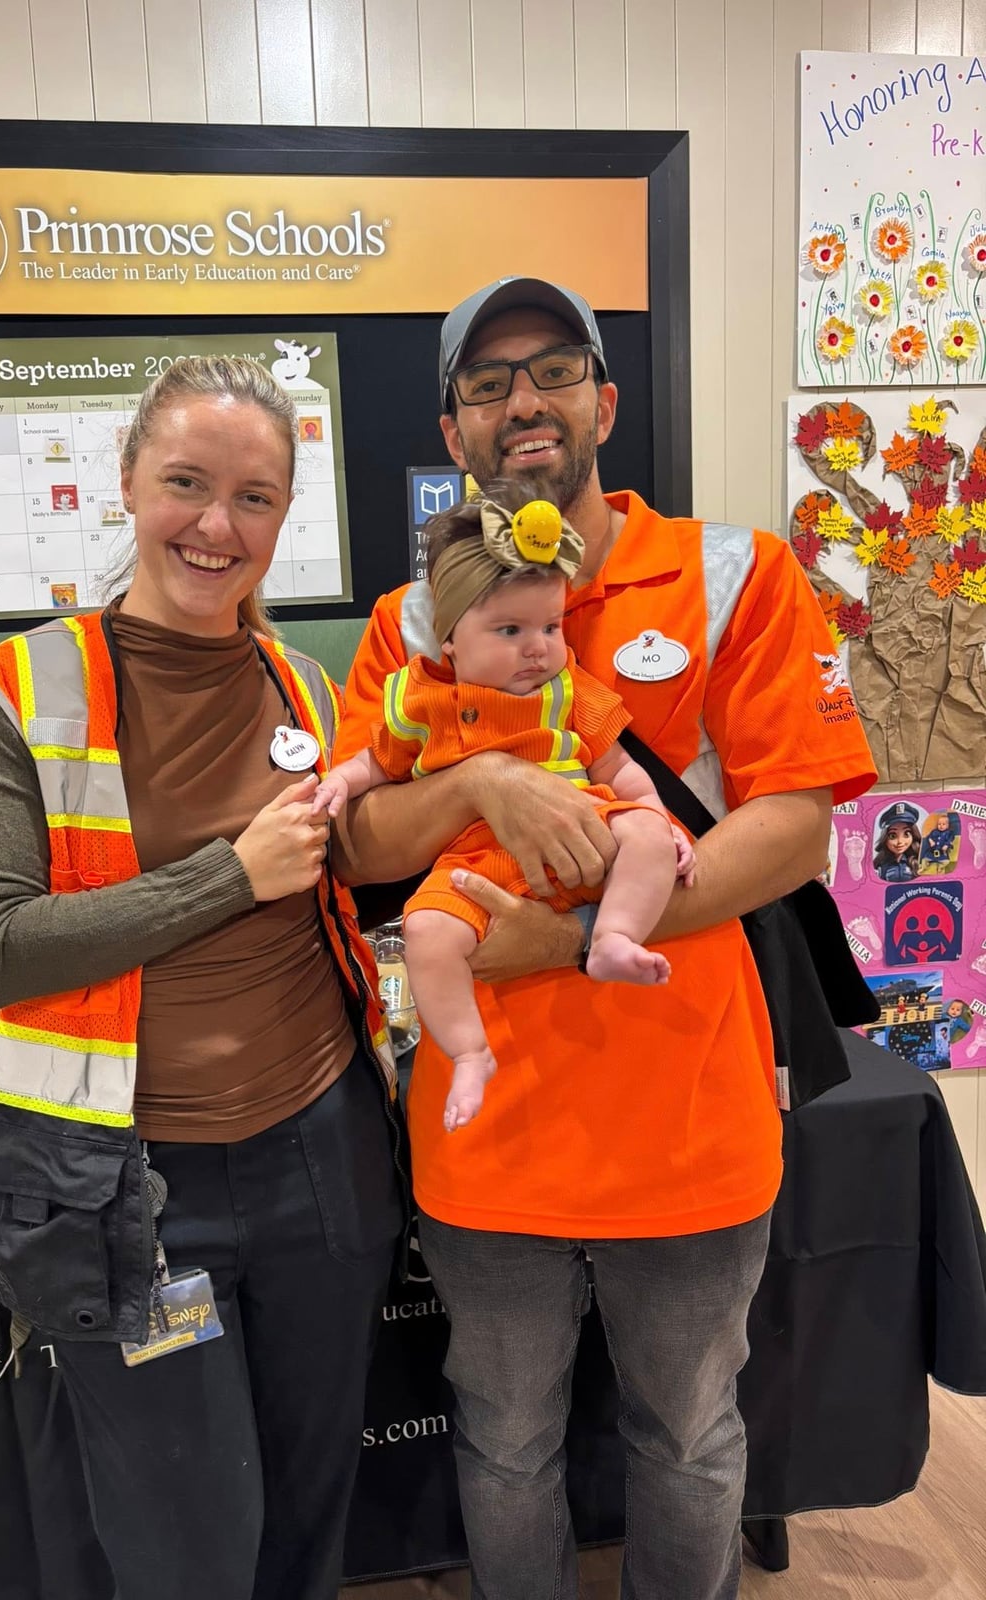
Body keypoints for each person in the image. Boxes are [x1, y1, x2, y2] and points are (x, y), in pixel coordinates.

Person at [334, 277, 877, 1600]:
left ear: (604, 400)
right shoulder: (410, 626)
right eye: (487, 383)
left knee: (688, 1440)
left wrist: (564, 942)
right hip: (487, 1134)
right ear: (455, 432)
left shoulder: (730, 574)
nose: (523, 400)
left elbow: (795, 831)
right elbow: (354, 846)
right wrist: (474, 788)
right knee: (506, 1444)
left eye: (554, 370)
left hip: (689, 1124)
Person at [0, 355, 405, 1600]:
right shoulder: (18, 688)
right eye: (187, 484)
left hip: (322, 1160)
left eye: (255, 497)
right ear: (128, 483)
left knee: (313, 1503)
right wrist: (226, 875)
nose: (217, 525)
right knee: (188, 1535)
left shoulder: (305, 683)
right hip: (136, 1201)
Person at [316, 481, 693, 1130]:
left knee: (651, 841)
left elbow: (619, 770)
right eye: (510, 630)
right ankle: (468, 1053)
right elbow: (377, 762)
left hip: (583, 831)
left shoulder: (568, 690)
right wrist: (339, 785)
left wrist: (661, 821)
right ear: (452, 643)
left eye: (550, 626)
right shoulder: (419, 697)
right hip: (475, 861)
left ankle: (612, 937)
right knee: (428, 932)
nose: (538, 647)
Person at [873, 800, 922, 882]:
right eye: (893, 836)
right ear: (885, 838)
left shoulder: (917, 862)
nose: (900, 841)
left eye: (906, 834)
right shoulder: (881, 865)